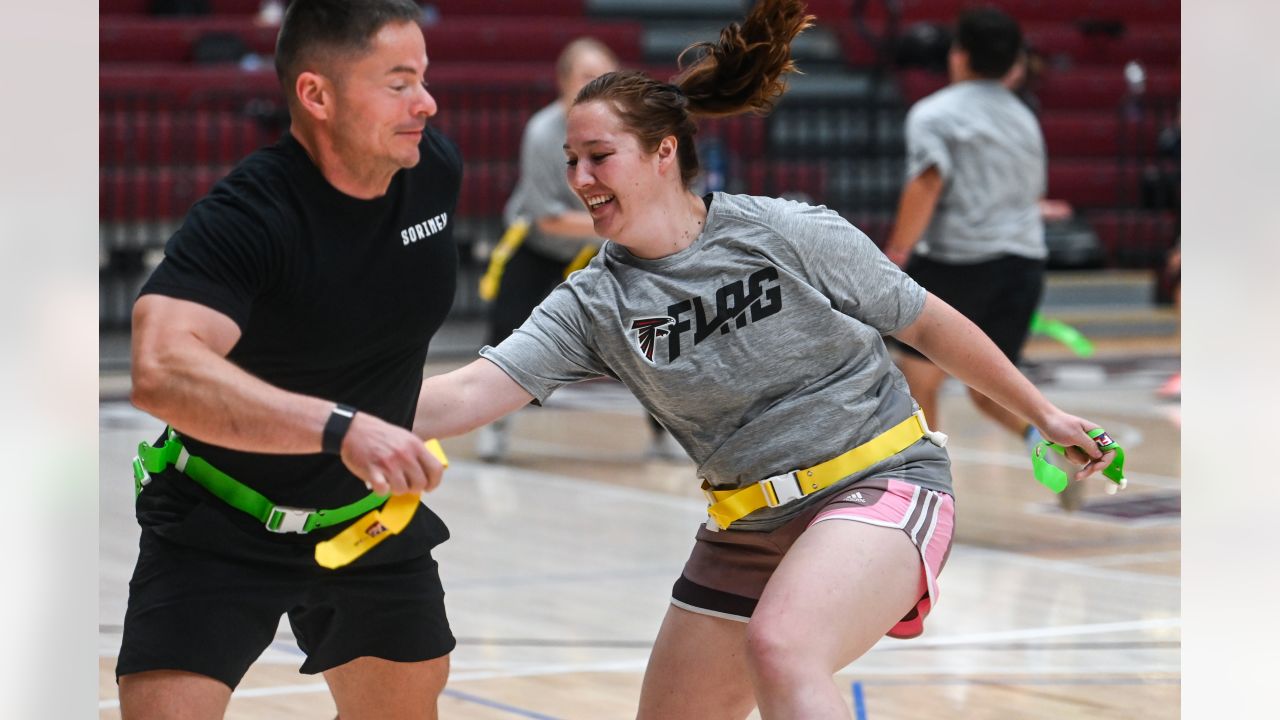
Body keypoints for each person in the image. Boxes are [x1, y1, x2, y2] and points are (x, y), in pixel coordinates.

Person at [410, 1, 1115, 716]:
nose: (581, 178)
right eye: (571, 162)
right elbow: (468, 393)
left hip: (879, 479)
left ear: (662, 153)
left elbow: (927, 321)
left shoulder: (781, 230)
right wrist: (329, 412)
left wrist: (1044, 413)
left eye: (599, 157)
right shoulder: (593, 301)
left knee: (783, 647)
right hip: (744, 526)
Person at [119, 1, 458, 717]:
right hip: (219, 520)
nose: (425, 102)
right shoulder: (249, 216)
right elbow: (160, 368)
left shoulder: (434, 173)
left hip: (368, 523)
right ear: (316, 95)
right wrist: (341, 428)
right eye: (398, 83)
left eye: (423, 77)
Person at [880, 8, 1083, 509]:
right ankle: (1053, 445)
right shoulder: (1024, 116)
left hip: (959, 261)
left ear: (959, 54)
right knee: (991, 389)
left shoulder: (935, 113)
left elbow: (927, 180)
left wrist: (898, 252)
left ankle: (927, 495)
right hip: (1023, 265)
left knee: (918, 377)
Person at [476, 38, 683, 462]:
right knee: (508, 334)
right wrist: (613, 222)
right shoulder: (541, 132)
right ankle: (493, 426)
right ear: (564, 83)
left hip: (601, 246)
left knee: (646, 332)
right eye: (588, 77)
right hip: (539, 243)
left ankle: (667, 431)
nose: (598, 84)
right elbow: (546, 217)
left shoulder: (633, 132)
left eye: (606, 76)